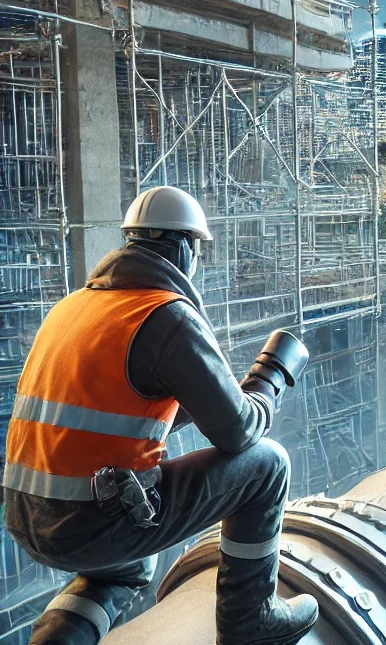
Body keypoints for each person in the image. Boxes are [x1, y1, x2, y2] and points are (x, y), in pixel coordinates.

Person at [3, 186, 319, 645]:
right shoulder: (166, 315)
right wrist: (268, 381)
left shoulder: (72, 307)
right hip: (89, 523)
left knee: (127, 567)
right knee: (268, 465)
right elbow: (239, 433)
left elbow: (118, 408)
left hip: (26, 517)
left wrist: (216, 397)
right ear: (185, 248)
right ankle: (249, 621)